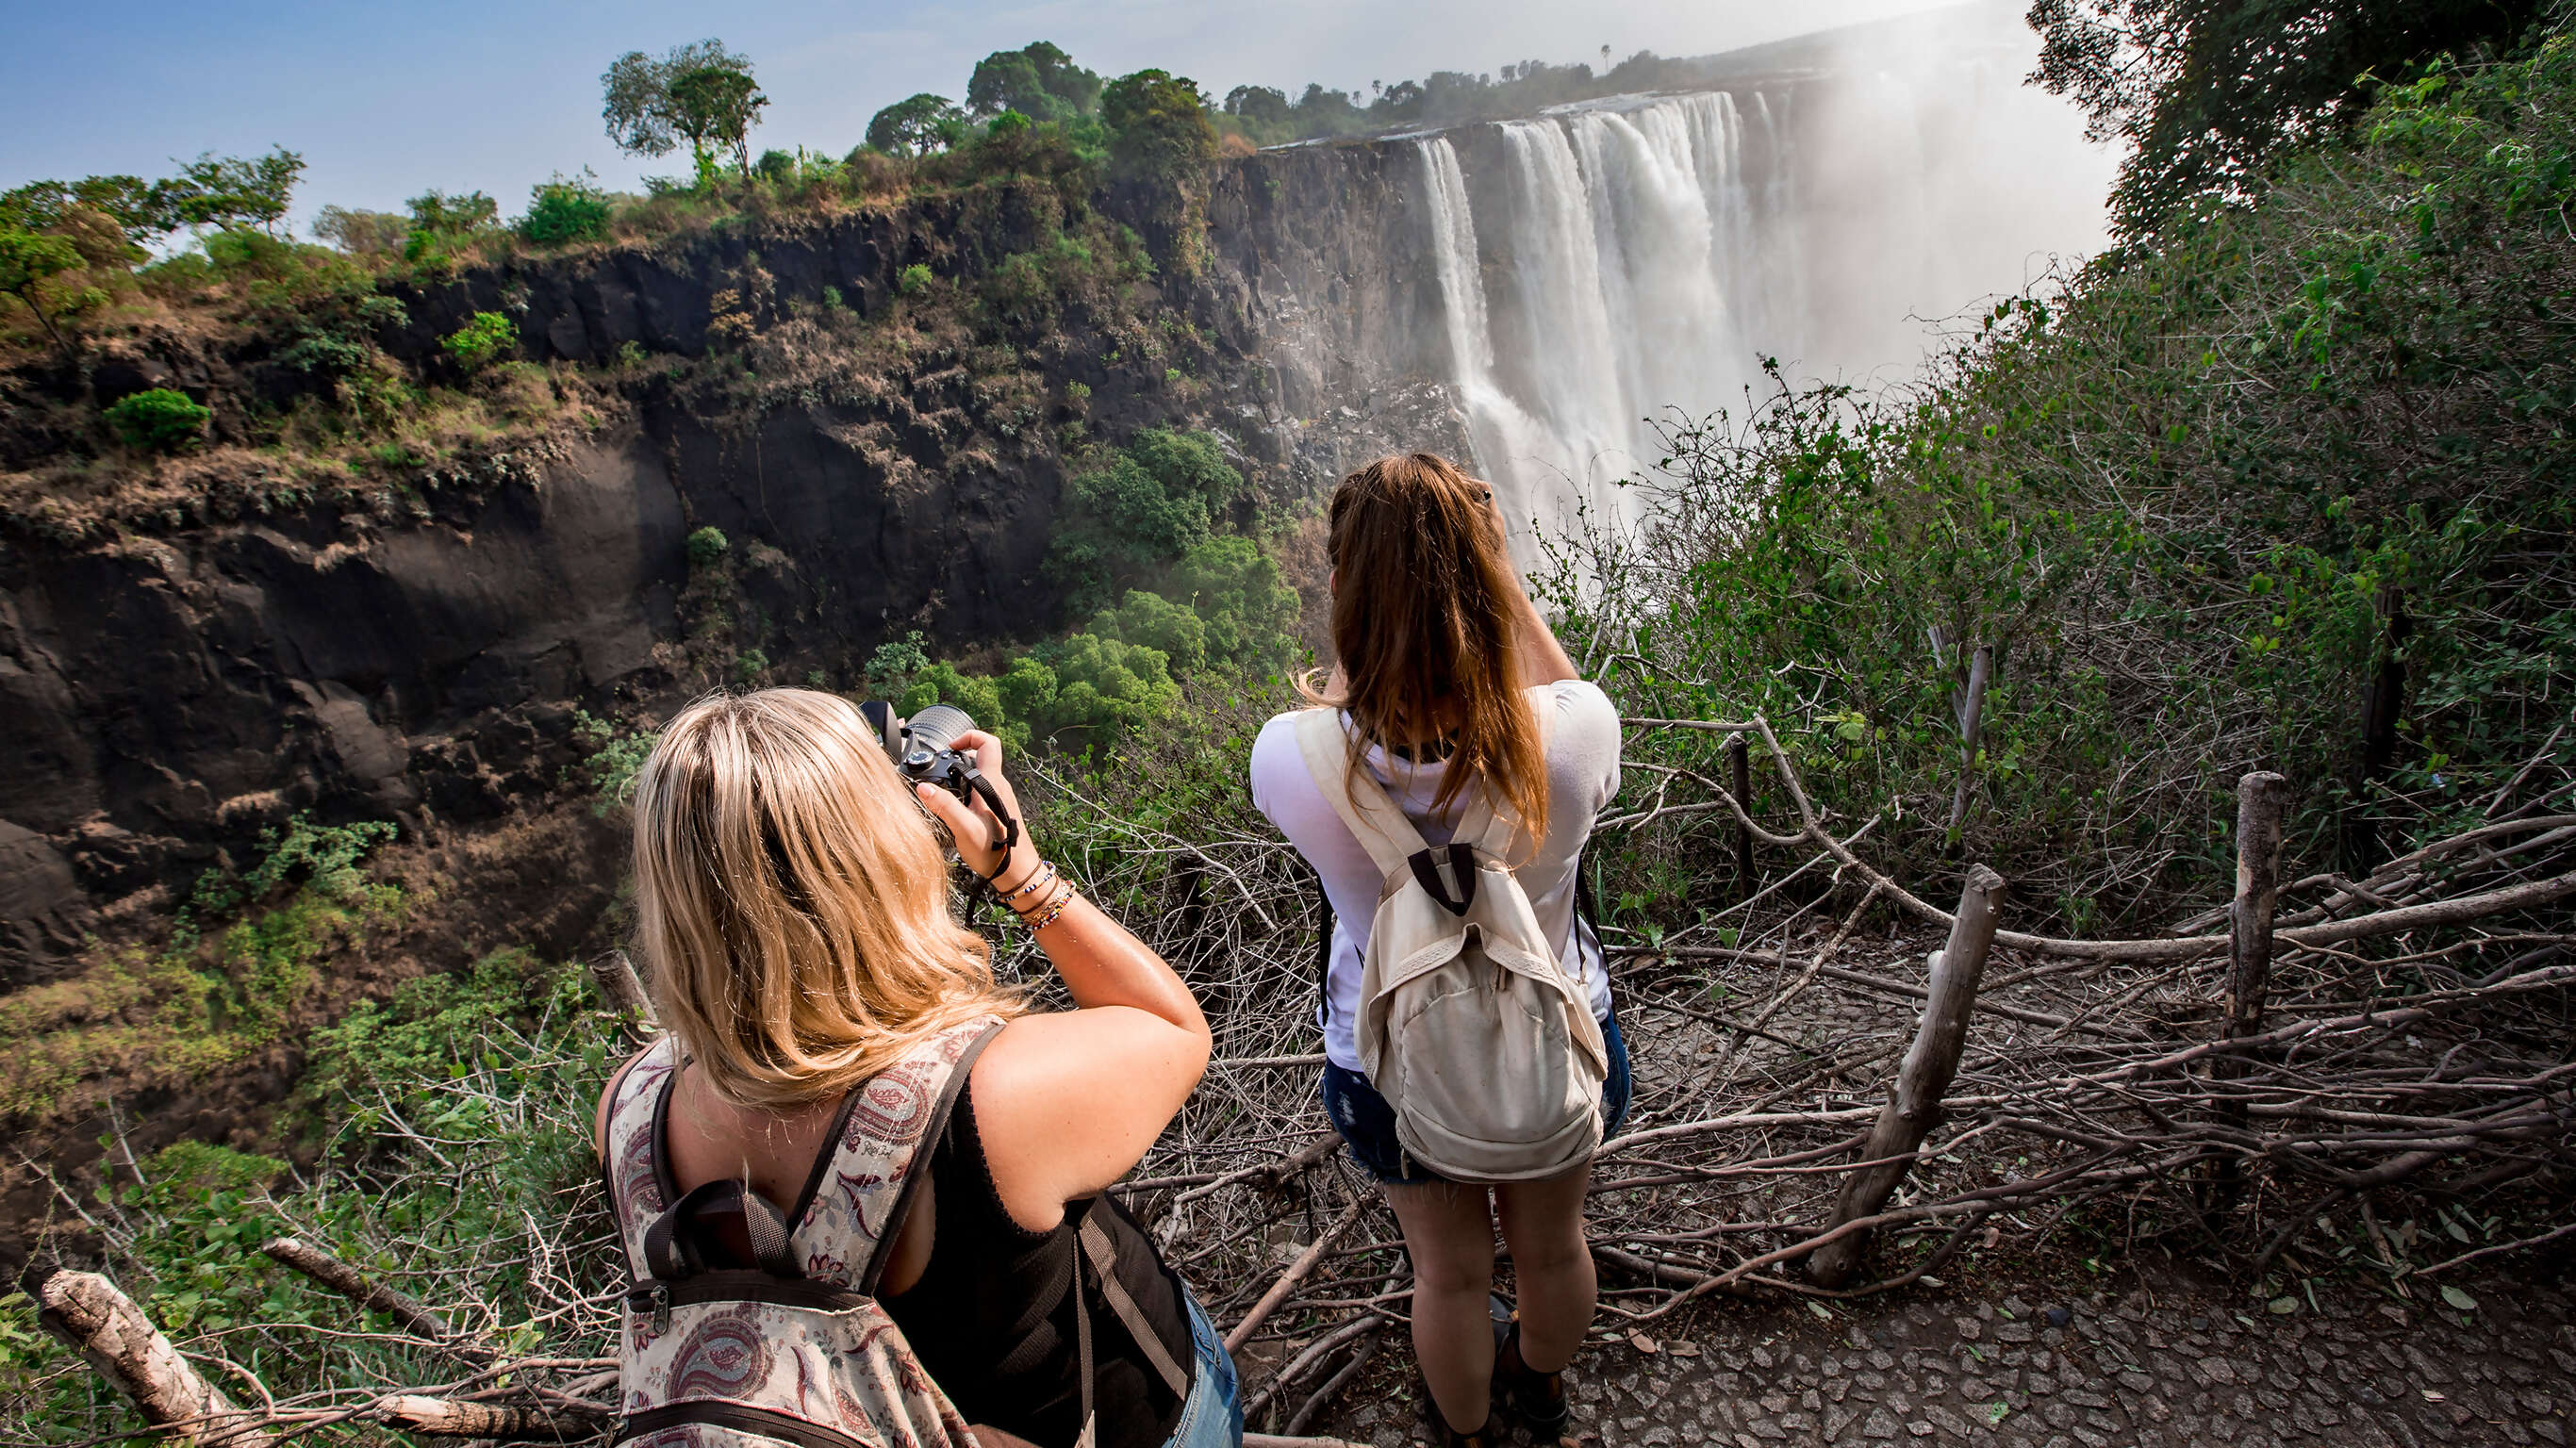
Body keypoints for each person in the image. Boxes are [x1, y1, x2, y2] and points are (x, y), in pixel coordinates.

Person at [595, 688, 1241, 1448]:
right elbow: (1173, 1029)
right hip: (1133, 1420)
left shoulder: (632, 1108)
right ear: (876, 854)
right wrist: (1016, 867)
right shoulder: (984, 1099)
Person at [1250, 453, 1631, 1448]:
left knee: (1449, 1276)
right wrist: (1493, 574)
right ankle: (1536, 1391)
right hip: (1556, 1043)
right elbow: (1565, 686)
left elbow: (1333, 715)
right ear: (1489, 582)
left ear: (1340, 596)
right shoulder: (1575, 736)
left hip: (1386, 1067)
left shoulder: (1289, 760)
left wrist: (1365, 622)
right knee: (1552, 1255)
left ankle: (1460, 1433)